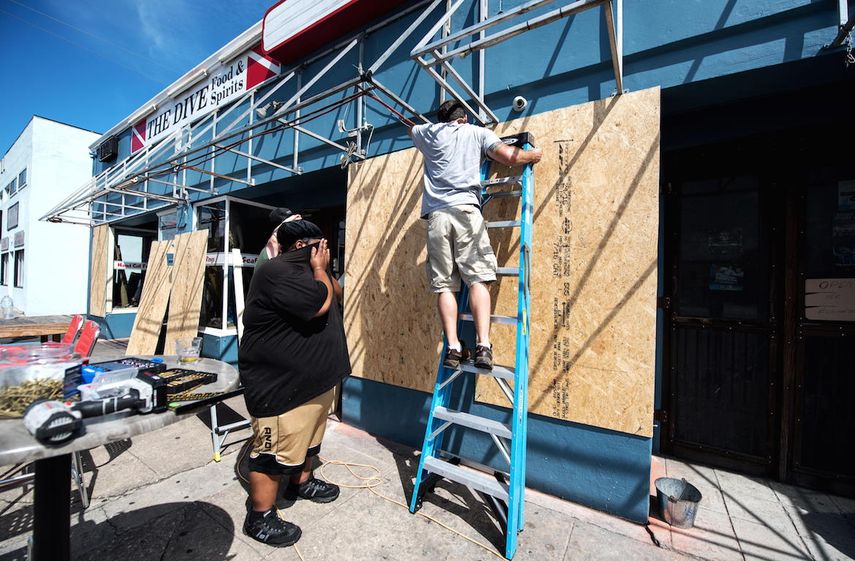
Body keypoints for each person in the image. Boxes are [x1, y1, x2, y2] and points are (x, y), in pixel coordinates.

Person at [238, 219, 350, 547]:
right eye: (320, 244)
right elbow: (318, 305)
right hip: (281, 387)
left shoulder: (311, 270)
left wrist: (322, 270)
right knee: (271, 454)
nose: (325, 250)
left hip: (314, 383)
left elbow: (336, 294)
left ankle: (302, 482)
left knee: (307, 443)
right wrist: (318, 270)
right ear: (301, 247)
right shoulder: (275, 271)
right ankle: (260, 515)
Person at [408, 100, 542, 370]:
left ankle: (454, 348)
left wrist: (439, 127)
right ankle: (483, 345)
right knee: (479, 278)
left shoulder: (427, 134)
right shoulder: (478, 133)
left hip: (437, 218)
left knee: (444, 285)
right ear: (465, 118)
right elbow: (508, 156)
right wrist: (533, 156)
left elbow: (414, 129)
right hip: (465, 213)